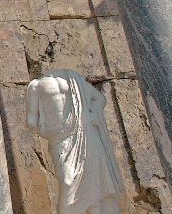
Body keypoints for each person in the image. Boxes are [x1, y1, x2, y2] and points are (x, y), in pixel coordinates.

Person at [26, 69, 124, 214]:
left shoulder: (74, 79)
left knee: (93, 178)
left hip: (83, 132)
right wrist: (47, 130)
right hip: (59, 138)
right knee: (67, 180)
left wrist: (91, 116)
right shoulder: (35, 86)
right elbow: (31, 121)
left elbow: (99, 98)